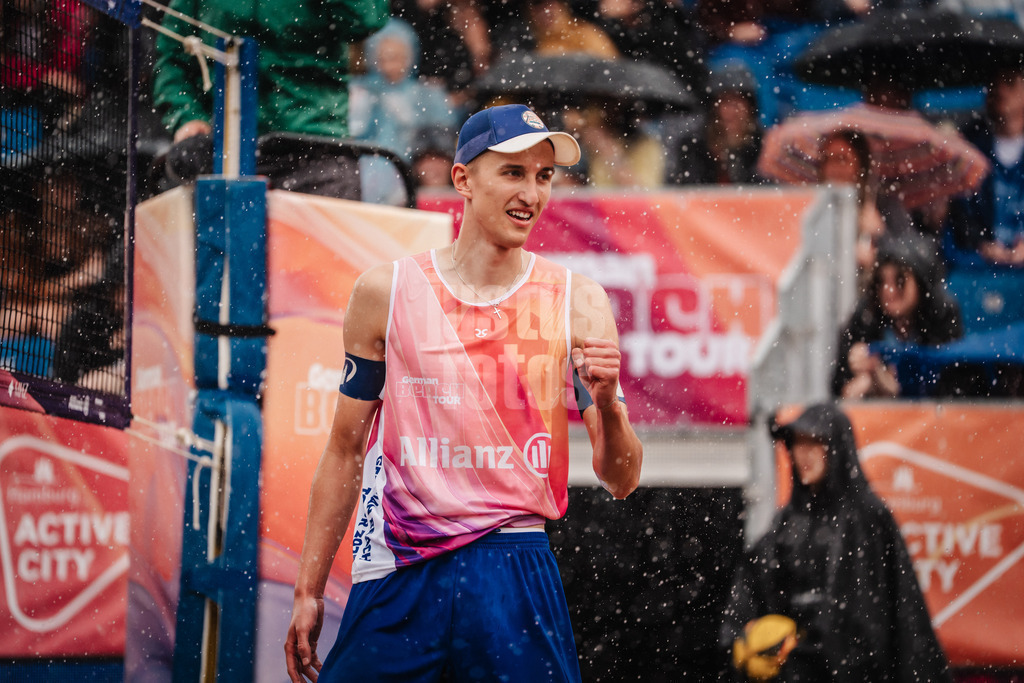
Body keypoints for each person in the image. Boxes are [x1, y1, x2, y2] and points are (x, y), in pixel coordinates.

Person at [284, 104, 644, 682]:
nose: (533, 192)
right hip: (400, 562)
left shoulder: (578, 300)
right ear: (462, 179)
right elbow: (345, 449)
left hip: (514, 562)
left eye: (544, 175)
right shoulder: (386, 290)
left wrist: (606, 404)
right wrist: (308, 588)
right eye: (513, 172)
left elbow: (621, 479)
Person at [721, 402, 953, 682]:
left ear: (838, 450)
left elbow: (879, 622)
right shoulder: (788, 520)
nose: (802, 454)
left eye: (814, 443)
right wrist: (745, 638)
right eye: (797, 444)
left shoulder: (867, 517)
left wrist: (808, 653)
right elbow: (751, 586)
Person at [151, 0, 388, 198]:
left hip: (317, 147)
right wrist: (186, 116)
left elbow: (367, 18)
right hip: (224, 150)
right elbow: (173, 54)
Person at [831, 232, 962, 399]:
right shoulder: (865, 317)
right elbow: (839, 389)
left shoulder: (942, 316)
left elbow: (954, 387)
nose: (888, 290)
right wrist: (866, 378)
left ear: (921, 283)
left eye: (900, 280)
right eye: (881, 281)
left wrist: (897, 386)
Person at [348, 18, 458, 163]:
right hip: (364, 169)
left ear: (410, 56)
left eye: (395, 58)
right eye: (381, 58)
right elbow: (352, 133)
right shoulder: (360, 90)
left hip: (413, 175)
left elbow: (441, 146)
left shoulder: (429, 95)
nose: (388, 66)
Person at [947, 66, 1024, 267]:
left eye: (1009, 83)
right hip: (976, 268)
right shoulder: (968, 148)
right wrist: (981, 244)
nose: (1000, 90)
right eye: (993, 84)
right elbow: (959, 209)